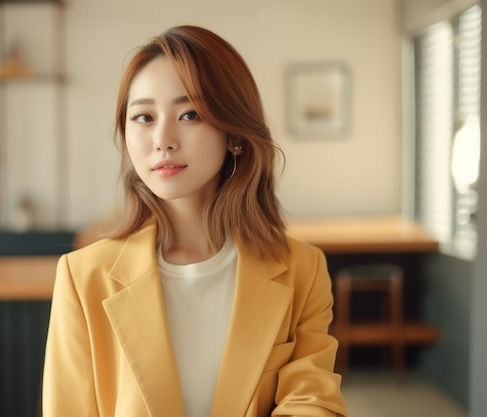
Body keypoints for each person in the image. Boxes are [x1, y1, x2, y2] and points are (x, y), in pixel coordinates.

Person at [42, 25, 348, 417]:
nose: (163, 139)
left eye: (189, 114)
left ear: (234, 133)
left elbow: (312, 399)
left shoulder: (302, 270)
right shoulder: (82, 276)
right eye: (144, 117)